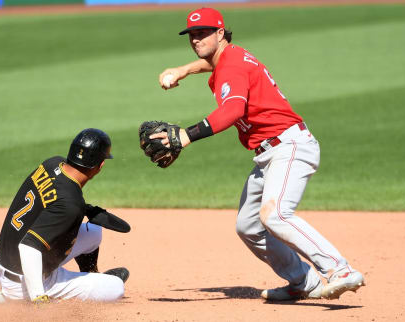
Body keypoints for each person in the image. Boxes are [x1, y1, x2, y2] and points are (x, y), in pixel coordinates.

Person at [156, 7, 365, 300]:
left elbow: (231, 111)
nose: (195, 39)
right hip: (268, 152)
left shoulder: (232, 65)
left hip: (289, 146)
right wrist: (183, 70)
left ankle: (339, 270)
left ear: (220, 33)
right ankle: (304, 283)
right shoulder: (232, 56)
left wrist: (186, 135)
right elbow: (212, 64)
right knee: (249, 226)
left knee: (275, 215)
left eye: (202, 33)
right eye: (192, 34)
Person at [0, 128, 130, 304]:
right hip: (26, 279)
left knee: (94, 232)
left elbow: (53, 200)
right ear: (100, 165)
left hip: (2, 257)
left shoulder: (52, 163)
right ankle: (15, 298)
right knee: (116, 287)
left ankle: (90, 276)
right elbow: (29, 247)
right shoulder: (70, 206)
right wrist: (38, 297)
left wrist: (86, 209)